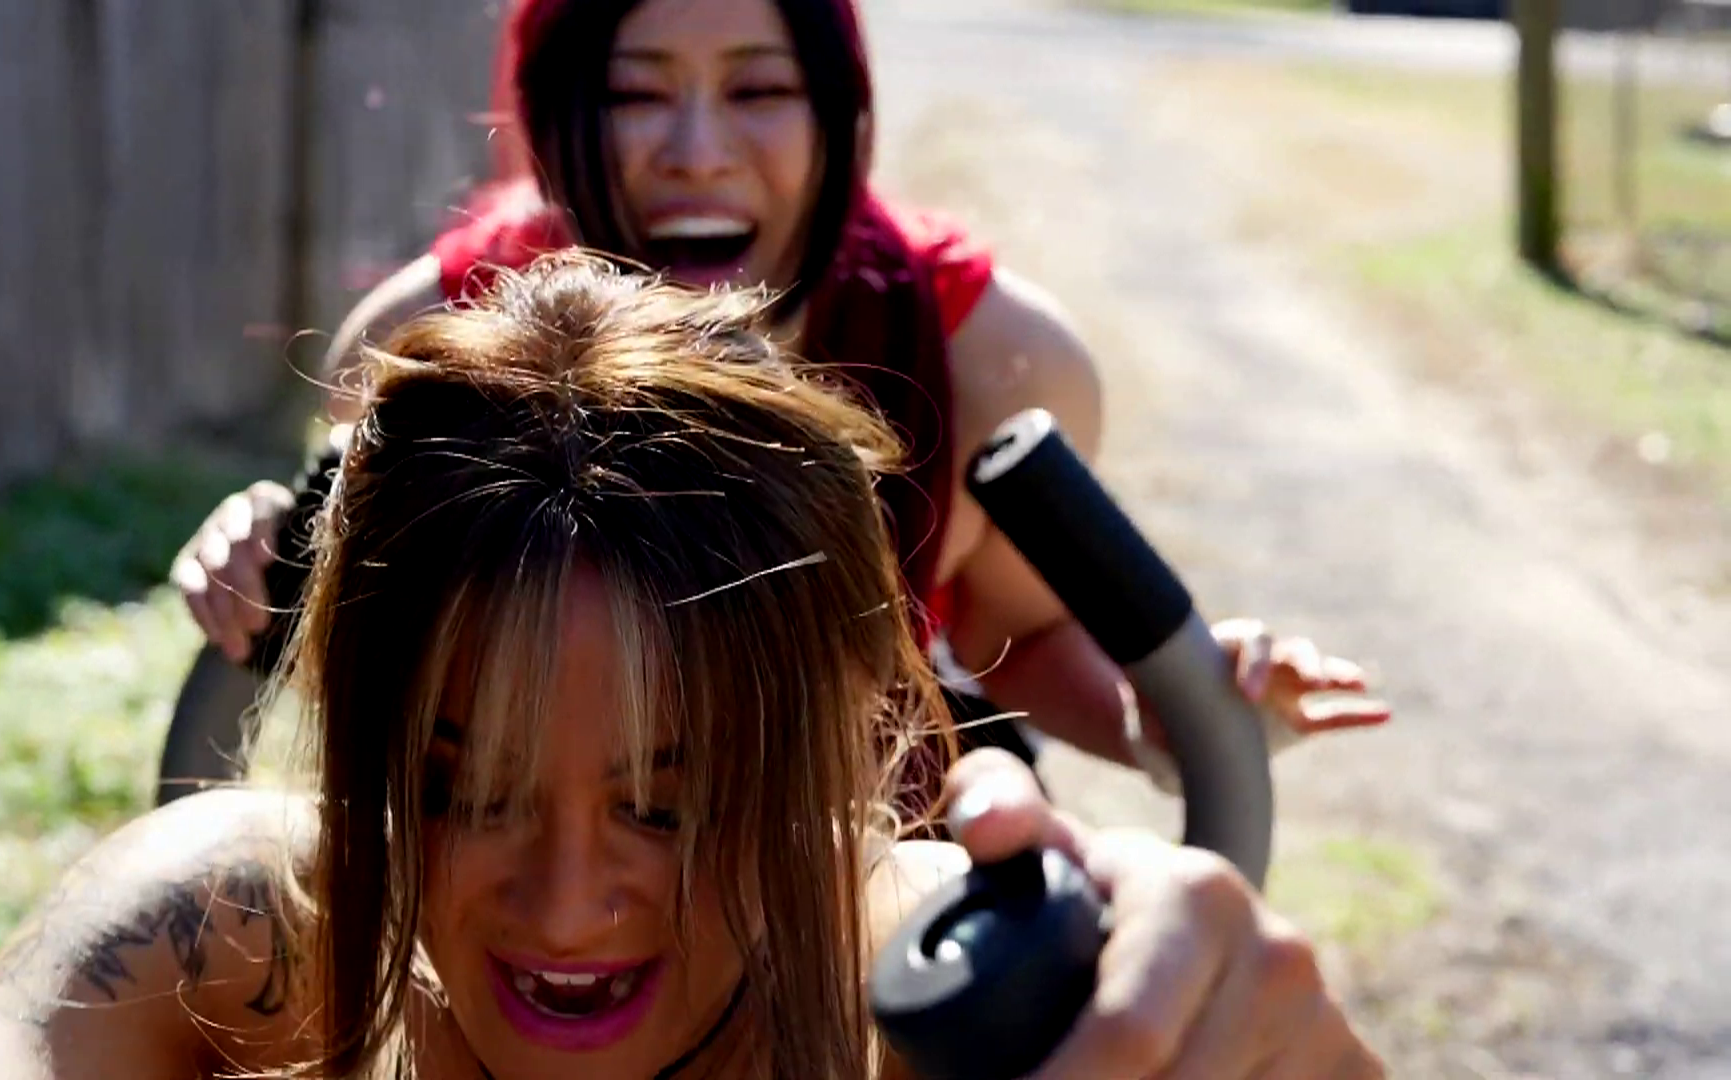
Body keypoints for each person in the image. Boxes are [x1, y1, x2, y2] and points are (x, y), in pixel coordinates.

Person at [0, 256, 1381, 1079]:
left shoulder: (945, 1002)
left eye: (672, 805)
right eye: (460, 791)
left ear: (849, 743)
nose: (565, 906)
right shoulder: (228, 935)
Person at [168, 0, 1389, 802]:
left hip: (856, 875)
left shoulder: (989, 359)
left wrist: (1171, 720)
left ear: (839, 113)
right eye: (637, 93)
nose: (698, 150)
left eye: (758, 90)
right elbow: (375, 683)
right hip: (540, 888)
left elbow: (1015, 642)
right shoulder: (423, 352)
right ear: (556, 112)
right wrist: (276, 565)